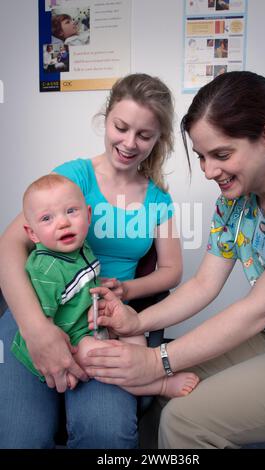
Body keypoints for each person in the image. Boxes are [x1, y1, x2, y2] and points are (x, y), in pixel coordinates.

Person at [82, 71, 265, 449]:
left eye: (222, 154)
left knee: (183, 422)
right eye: (201, 156)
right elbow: (202, 284)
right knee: (168, 390)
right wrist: (138, 320)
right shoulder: (235, 204)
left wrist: (155, 361)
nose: (209, 171)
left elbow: (258, 310)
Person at [0, 73, 182, 449]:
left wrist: (127, 289)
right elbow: (9, 246)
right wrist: (36, 330)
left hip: (102, 321)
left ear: (158, 139)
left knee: (106, 435)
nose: (129, 143)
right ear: (106, 118)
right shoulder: (73, 176)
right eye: (121, 127)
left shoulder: (158, 200)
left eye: (145, 135)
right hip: (40, 309)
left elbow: (172, 270)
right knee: (21, 437)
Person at [13, 173, 198, 397]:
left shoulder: (81, 246)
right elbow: (43, 326)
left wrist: (102, 290)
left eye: (71, 211)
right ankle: (160, 386)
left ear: (88, 216)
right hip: (68, 340)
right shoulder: (46, 270)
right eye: (47, 219)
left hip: (88, 321)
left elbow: (77, 283)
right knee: (106, 359)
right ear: (32, 233)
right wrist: (64, 358)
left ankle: (145, 371)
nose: (63, 223)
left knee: (133, 334)